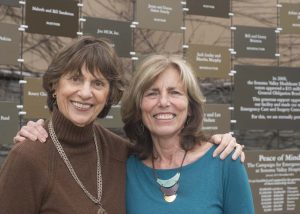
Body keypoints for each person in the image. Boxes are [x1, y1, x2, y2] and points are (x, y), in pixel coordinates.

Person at [5, 37, 245, 213]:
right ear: (55, 86)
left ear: (109, 95)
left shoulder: (121, 154)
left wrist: (221, 141)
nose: (85, 93)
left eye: (98, 83)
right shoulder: (30, 154)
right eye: (75, 79)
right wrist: (29, 147)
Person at [121, 54, 254, 213]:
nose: (163, 102)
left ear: (190, 107)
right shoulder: (126, 168)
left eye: (174, 92)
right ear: (139, 107)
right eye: (152, 93)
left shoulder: (224, 161)